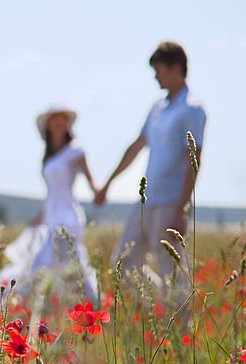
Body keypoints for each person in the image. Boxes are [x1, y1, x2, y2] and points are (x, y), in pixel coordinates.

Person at [95, 41, 206, 294]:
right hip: (146, 200)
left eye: (159, 70)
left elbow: (194, 159)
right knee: (123, 264)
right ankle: (160, 308)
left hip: (171, 201)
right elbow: (136, 146)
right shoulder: (157, 108)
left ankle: (180, 325)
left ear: (176, 68)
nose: (155, 76)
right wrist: (108, 184)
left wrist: (182, 208)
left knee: (172, 268)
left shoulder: (192, 109)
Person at [0, 106, 102, 304]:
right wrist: (40, 217)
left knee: (52, 265)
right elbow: (51, 192)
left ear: (67, 125)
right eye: (54, 119)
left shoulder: (75, 151)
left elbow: (90, 176)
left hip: (67, 218)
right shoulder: (49, 156)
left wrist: (97, 190)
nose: (58, 123)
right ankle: (80, 304)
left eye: (62, 119)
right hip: (52, 217)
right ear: (48, 126)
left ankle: (91, 303)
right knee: (65, 265)